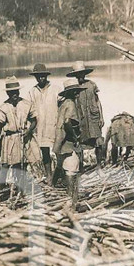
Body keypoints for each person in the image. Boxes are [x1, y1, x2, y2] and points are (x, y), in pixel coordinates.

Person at [0, 76, 36, 193]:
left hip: (22, 137)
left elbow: (34, 120)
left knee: (21, 165)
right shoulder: (4, 107)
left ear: (19, 91)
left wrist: (29, 130)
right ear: (7, 93)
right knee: (5, 164)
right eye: (11, 92)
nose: (14, 94)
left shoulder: (26, 104)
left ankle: (21, 189)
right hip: (9, 139)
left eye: (16, 91)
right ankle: (1, 188)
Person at [66, 61, 105, 169]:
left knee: (98, 141)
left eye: (82, 74)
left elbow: (98, 101)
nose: (80, 76)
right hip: (81, 119)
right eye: (78, 75)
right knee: (80, 142)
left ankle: (98, 165)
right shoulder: (73, 87)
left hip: (93, 117)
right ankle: (81, 167)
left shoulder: (91, 84)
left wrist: (101, 117)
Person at [27, 63, 61, 181]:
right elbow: (29, 110)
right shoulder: (32, 92)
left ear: (46, 76)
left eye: (43, 76)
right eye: (38, 76)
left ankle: (59, 173)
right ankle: (49, 176)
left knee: (58, 150)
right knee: (44, 152)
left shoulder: (55, 89)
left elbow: (62, 106)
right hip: (40, 126)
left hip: (54, 124)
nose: (41, 78)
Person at [54, 80, 84, 211]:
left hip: (60, 142)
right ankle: (72, 201)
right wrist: (74, 137)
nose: (77, 93)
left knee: (64, 167)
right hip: (68, 142)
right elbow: (67, 122)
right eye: (75, 91)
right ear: (71, 92)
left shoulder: (63, 103)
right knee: (72, 170)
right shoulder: (71, 104)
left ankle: (66, 197)